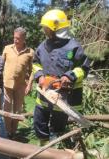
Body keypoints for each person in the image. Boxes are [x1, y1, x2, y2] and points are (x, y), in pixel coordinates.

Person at [32, 9, 90, 146]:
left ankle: (56, 150)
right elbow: (35, 63)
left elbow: (84, 68)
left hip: (63, 100)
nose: (44, 30)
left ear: (55, 28)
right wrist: (40, 76)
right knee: (39, 124)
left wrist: (70, 76)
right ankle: (43, 150)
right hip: (44, 96)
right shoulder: (43, 46)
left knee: (57, 131)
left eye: (46, 28)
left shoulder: (74, 47)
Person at [2, 27, 34, 138]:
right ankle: (7, 131)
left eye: (18, 38)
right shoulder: (7, 49)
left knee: (17, 110)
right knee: (6, 109)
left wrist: (29, 84)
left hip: (20, 86)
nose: (16, 40)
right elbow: (1, 65)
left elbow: (33, 71)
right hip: (7, 84)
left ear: (24, 38)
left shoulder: (30, 52)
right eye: (14, 38)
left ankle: (13, 132)